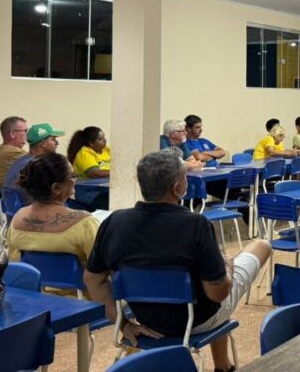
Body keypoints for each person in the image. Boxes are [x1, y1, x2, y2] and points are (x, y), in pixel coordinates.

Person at [83, 151, 272, 372]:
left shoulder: (114, 222)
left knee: (209, 274)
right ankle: (223, 366)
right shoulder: (196, 224)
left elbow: (92, 280)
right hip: (198, 321)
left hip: (147, 320)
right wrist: (227, 267)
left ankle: (224, 364)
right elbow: (218, 294)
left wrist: (123, 324)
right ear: (178, 188)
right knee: (260, 246)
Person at [7, 153, 100, 269]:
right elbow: (100, 270)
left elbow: (15, 263)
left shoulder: (17, 219)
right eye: (73, 175)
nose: (75, 180)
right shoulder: (85, 224)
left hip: (31, 281)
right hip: (75, 282)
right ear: (56, 188)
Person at [4, 123, 65, 205]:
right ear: (44, 143)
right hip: (33, 210)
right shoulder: (38, 166)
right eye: (53, 139)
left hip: (15, 211)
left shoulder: (20, 161)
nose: (57, 143)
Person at [66, 126, 111, 210]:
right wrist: (117, 173)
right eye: (100, 139)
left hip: (106, 189)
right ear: (91, 143)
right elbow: (94, 173)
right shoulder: (84, 153)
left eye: (104, 137)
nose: (105, 140)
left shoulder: (107, 150)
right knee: (111, 203)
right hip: (89, 192)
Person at [0, 116, 27, 188]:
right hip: (18, 194)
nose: (27, 135)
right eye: (25, 131)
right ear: (12, 134)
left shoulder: (5, 149)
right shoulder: (12, 153)